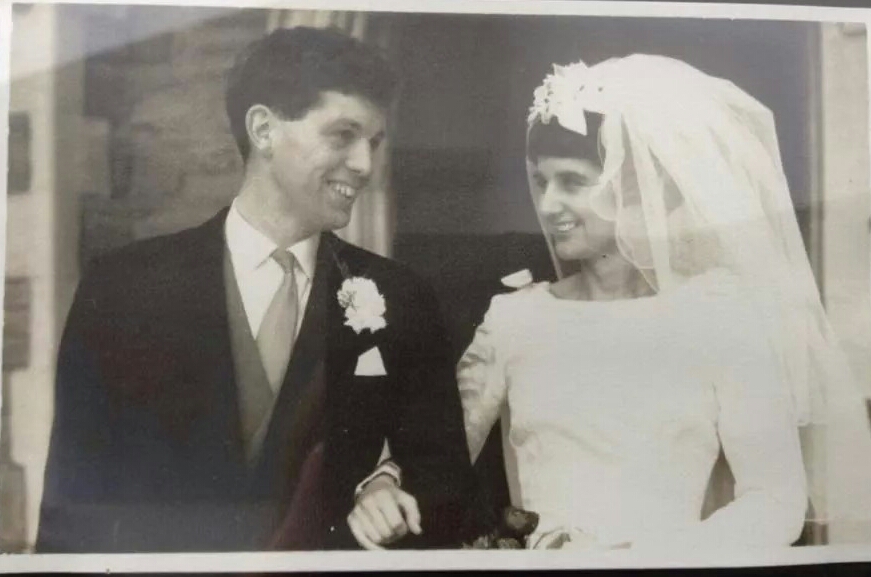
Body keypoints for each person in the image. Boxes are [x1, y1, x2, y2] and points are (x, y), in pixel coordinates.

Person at [36, 26, 476, 552]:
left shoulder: (402, 298)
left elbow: (444, 482)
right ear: (263, 130)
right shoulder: (123, 288)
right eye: (343, 135)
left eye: (375, 143)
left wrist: (386, 481)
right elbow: (71, 509)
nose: (365, 165)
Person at [457, 55, 871, 550]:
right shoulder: (515, 319)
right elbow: (431, 463)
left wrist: (644, 557)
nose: (547, 205)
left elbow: (776, 500)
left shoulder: (719, 317)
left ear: (638, 190)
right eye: (542, 181)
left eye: (572, 182)